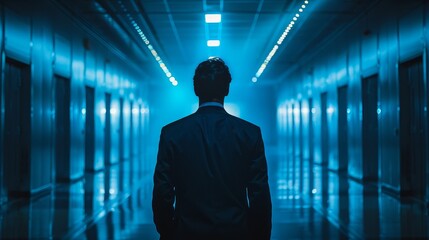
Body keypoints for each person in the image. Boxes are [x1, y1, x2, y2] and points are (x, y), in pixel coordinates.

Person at [152, 57, 272, 240]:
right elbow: (259, 194)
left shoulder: (172, 134)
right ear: (227, 89)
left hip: (186, 232)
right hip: (236, 232)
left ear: (195, 89)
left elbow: (163, 191)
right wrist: (260, 235)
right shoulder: (250, 134)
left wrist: (168, 231)